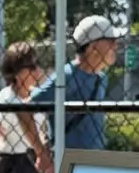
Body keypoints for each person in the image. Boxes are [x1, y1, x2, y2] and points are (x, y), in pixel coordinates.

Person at [29, 14, 119, 156]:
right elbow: (26, 107)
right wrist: (41, 152)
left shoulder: (101, 79)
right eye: (110, 41)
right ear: (92, 46)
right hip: (67, 163)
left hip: (95, 160)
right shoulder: (67, 76)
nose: (116, 45)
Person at [0, 42, 49, 173]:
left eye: (37, 65)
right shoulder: (7, 96)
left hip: (32, 160)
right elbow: (24, 123)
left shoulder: (36, 96)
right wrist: (42, 153)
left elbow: (41, 128)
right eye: (31, 67)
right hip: (12, 162)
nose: (37, 70)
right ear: (17, 72)